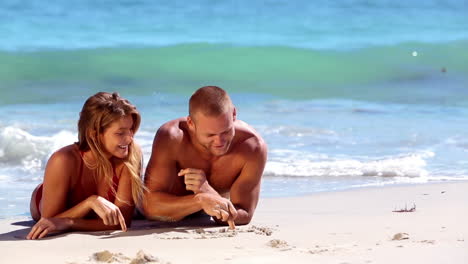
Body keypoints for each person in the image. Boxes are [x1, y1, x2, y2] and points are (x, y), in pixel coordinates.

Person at [143, 86, 267, 229]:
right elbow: (150, 208)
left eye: (226, 131)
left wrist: (209, 192)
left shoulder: (252, 147)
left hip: (202, 213)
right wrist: (200, 200)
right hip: (165, 213)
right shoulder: (172, 138)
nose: (219, 142)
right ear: (191, 123)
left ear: (233, 114)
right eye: (210, 135)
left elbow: (244, 214)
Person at [27, 92, 145, 240]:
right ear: (93, 134)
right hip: (47, 199)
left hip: (72, 214)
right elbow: (49, 221)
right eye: (120, 133)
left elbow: (121, 222)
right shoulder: (63, 160)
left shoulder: (131, 154)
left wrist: (69, 222)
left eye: (131, 129)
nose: (129, 138)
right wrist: (90, 202)